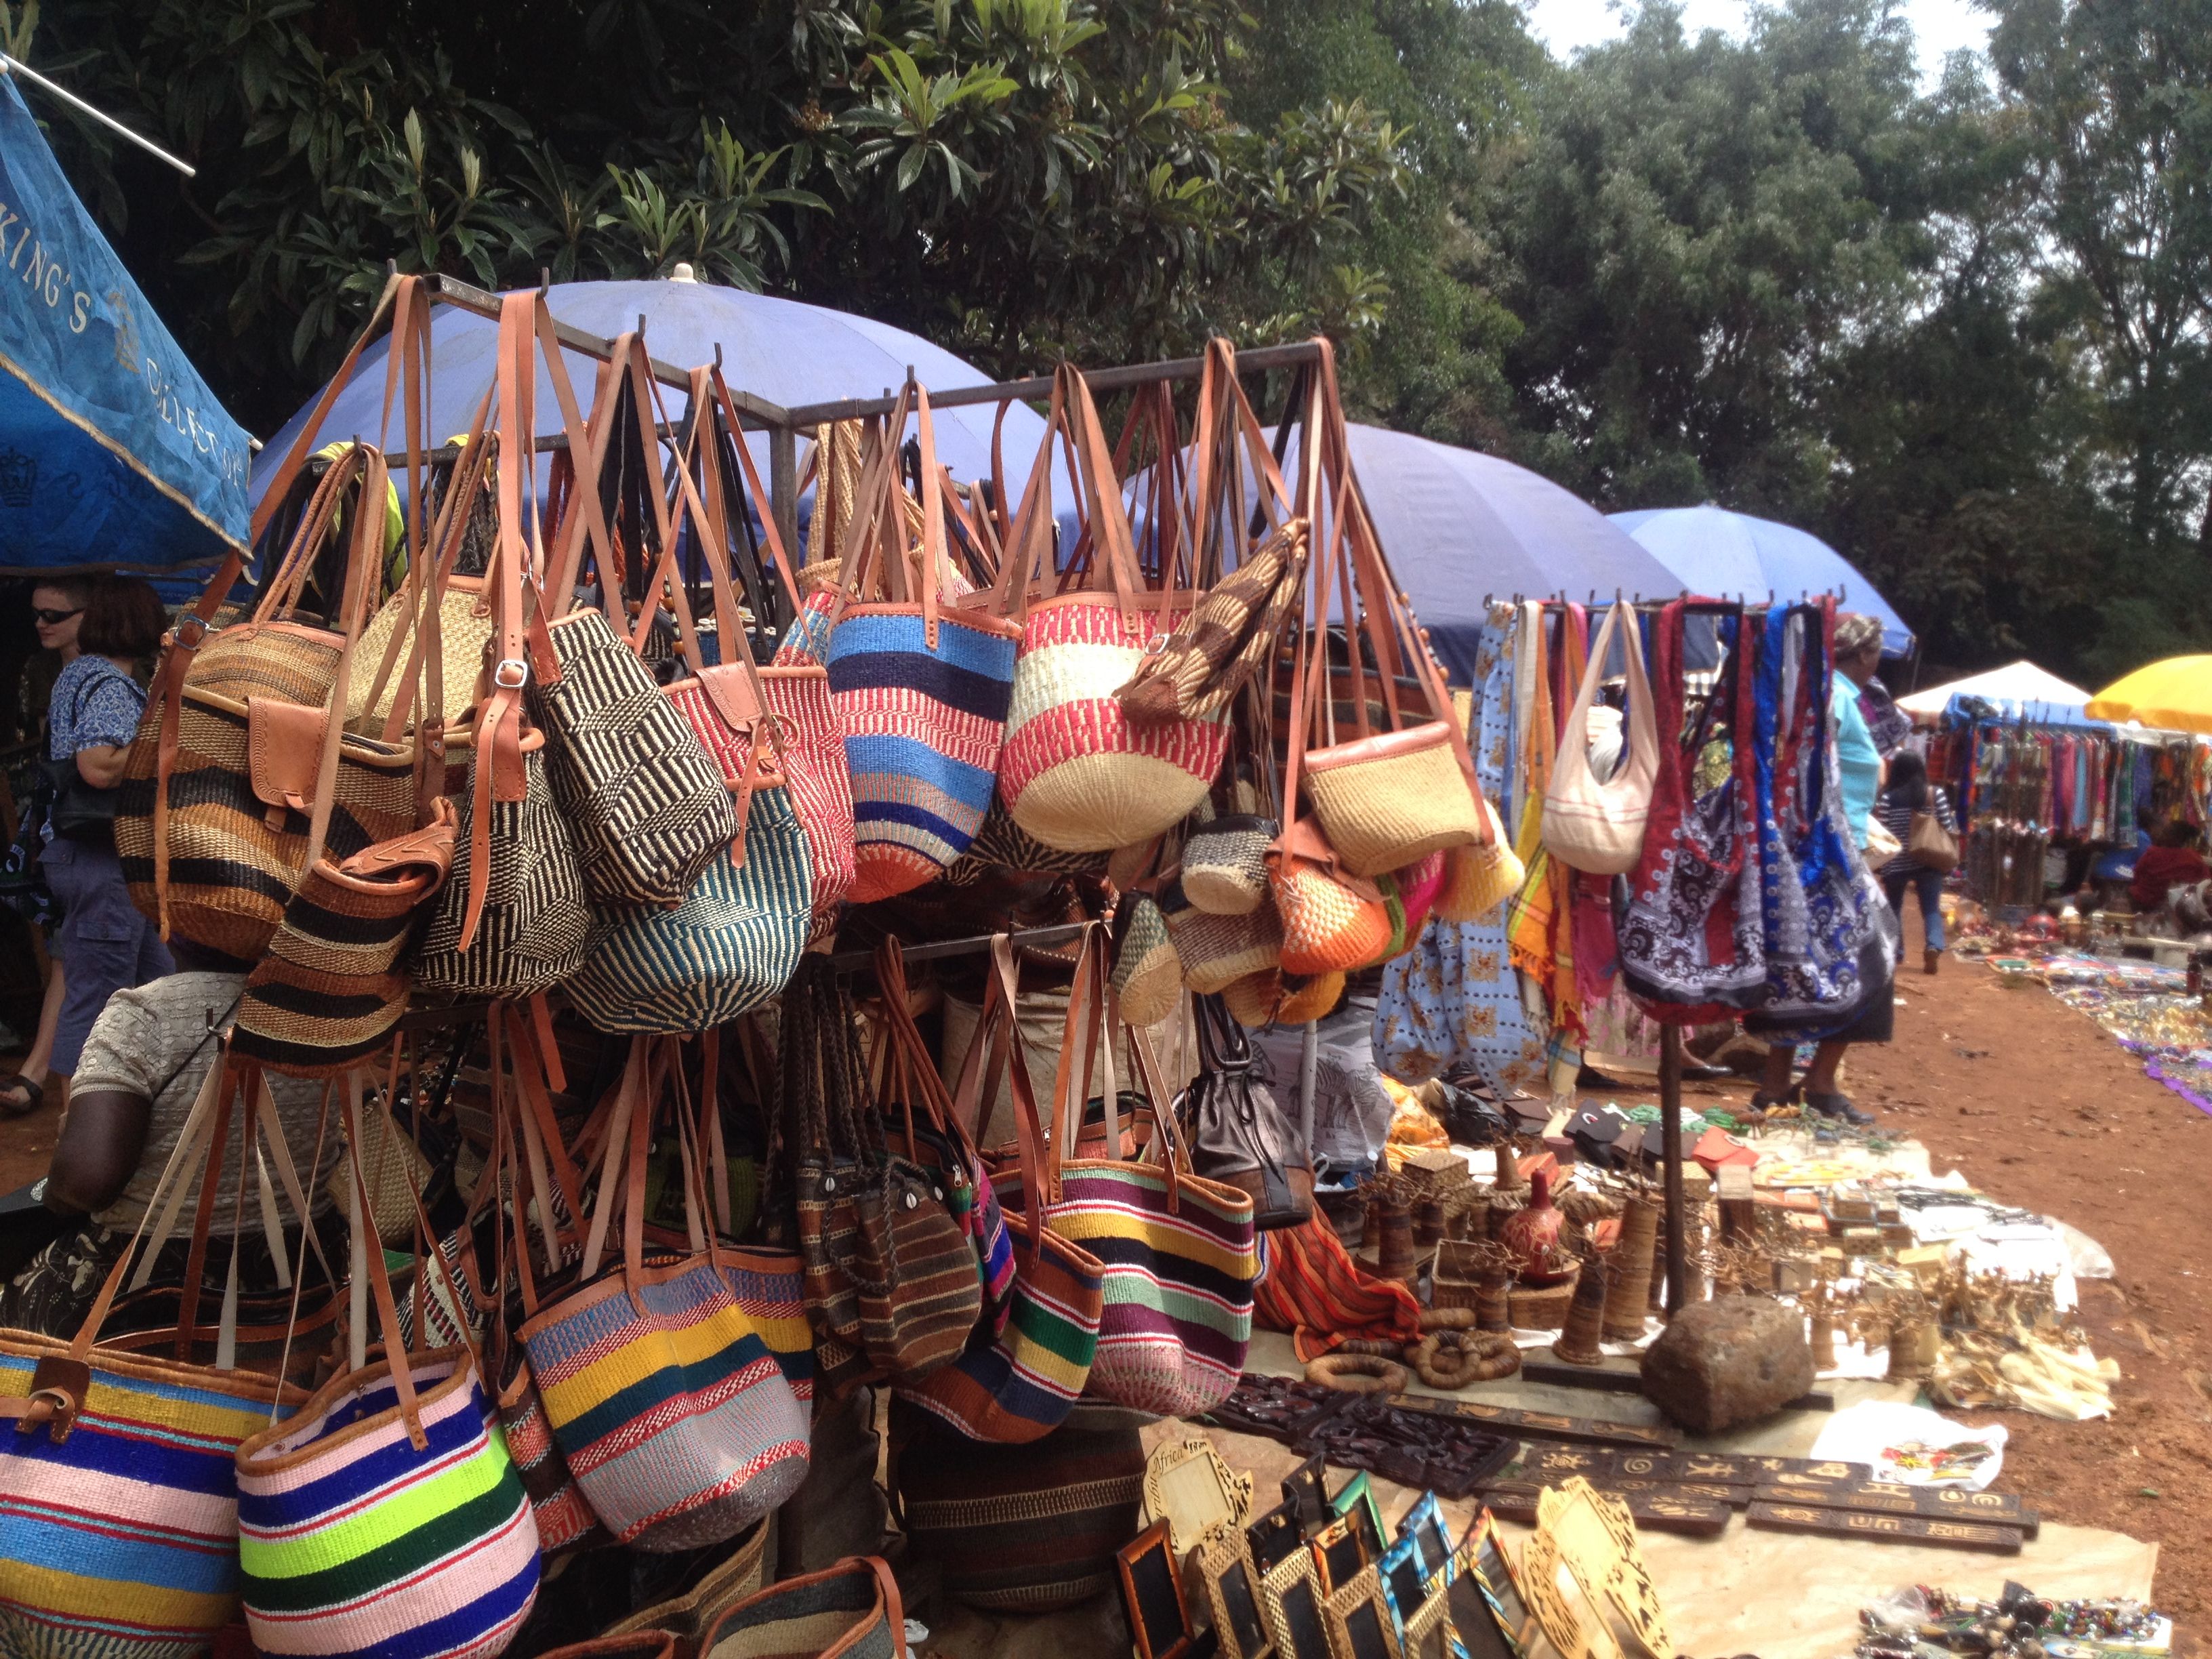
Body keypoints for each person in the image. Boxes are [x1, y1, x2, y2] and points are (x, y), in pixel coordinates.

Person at [0, 939, 345, 1337]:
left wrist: (54, 1193)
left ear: (171, 921)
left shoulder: (143, 1014)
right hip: (304, 1279)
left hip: (152, 1292)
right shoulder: (318, 1013)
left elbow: (85, 1181)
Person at [14, 574, 173, 1118]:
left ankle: (129, 1122)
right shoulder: (108, 684)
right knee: (96, 1001)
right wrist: (165, 750)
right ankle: (76, 1134)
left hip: (85, 859)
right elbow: (98, 765)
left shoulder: (75, 677)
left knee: (164, 988)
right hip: (100, 860)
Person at [1875, 750, 1958, 975]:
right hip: (1929, 859)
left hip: (1897, 861)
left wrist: (1882, 864)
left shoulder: (1887, 798)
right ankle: (1933, 945)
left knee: (1894, 907)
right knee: (1931, 908)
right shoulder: (1935, 794)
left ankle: (1896, 952)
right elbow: (1948, 827)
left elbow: (1884, 833)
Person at [1830, 613, 1888, 848]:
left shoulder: (1839, 694)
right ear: (1864, 655)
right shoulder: (1839, 697)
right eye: (1878, 653)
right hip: (1837, 838)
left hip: (1841, 833)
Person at [2129, 818, 2211, 914]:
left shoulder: (2153, 853)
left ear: (2170, 836)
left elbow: (2137, 875)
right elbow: (2206, 882)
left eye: (2165, 832)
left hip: (2145, 903)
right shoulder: (2194, 858)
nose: (2162, 834)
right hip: (2182, 907)